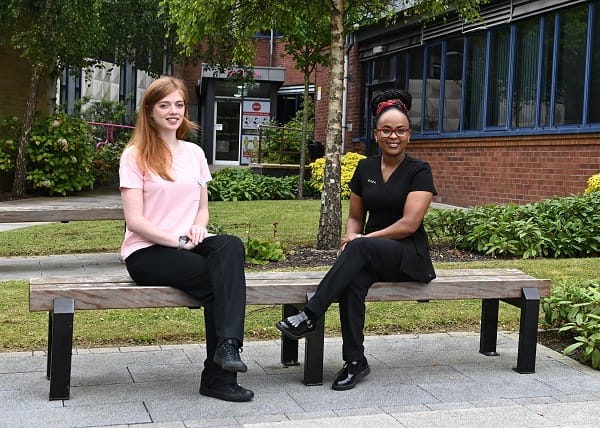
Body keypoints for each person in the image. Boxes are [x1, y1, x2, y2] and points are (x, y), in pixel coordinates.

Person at [276, 88, 437, 391]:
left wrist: (361, 240)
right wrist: (352, 235)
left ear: (409, 135)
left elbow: (408, 224)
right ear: (376, 134)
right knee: (353, 282)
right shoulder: (365, 168)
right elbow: (354, 217)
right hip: (370, 254)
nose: (393, 136)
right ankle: (355, 361)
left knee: (360, 248)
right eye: (386, 130)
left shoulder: (419, 171)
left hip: (408, 257)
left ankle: (310, 316)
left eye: (400, 130)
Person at [119, 76, 253, 402]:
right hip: (148, 250)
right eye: (165, 105)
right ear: (150, 111)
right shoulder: (135, 155)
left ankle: (228, 347)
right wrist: (177, 241)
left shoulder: (194, 153)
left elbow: (202, 208)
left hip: (189, 242)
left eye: (179, 104)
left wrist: (196, 228)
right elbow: (135, 221)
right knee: (220, 280)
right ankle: (219, 378)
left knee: (230, 245)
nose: (173, 111)